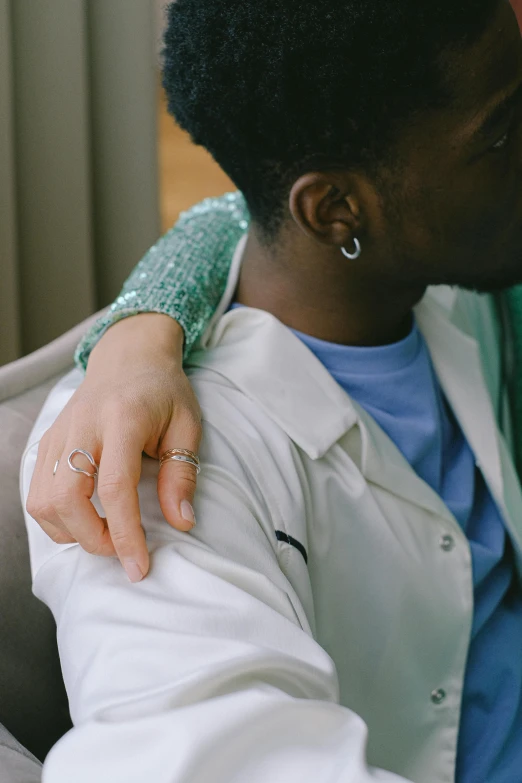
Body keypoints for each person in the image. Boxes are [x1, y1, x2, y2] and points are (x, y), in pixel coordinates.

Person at [19, 0, 522, 780]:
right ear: (336, 210)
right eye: (503, 130)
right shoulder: (145, 464)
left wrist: (147, 315)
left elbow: (243, 209)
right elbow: (193, 750)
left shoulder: (445, 273)